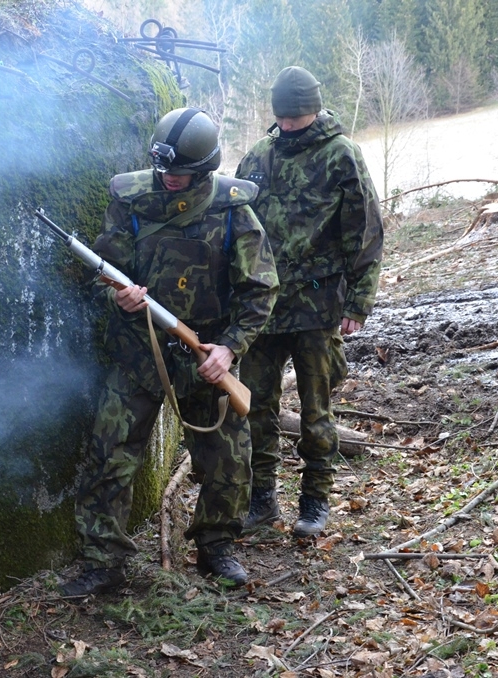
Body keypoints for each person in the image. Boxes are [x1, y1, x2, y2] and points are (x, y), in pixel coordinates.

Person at [60, 107, 278, 596]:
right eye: (163, 171)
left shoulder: (232, 209)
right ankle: (102, 561)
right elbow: (102, 272)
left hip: (206, 358)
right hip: (140, 351)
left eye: (179, 174)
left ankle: (216, 547)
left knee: (228, 457)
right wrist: (118, 296)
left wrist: (229, 348)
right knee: (109, 453)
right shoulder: (131, 200)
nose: (169, 181)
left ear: (204, 171)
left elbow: (260, 289)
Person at [235, 66, 384, 538]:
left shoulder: (341, 154)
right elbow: (234, 227)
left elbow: (365, 231)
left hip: (319, 307)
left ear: (315, 109)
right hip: (263, 306)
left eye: (298, 117)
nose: (291, 125)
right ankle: (261, 500)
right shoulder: (258, 156)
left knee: (316, 410)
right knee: (256, 406)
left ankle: (315, 501)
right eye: (283, 117)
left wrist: (358, 303)